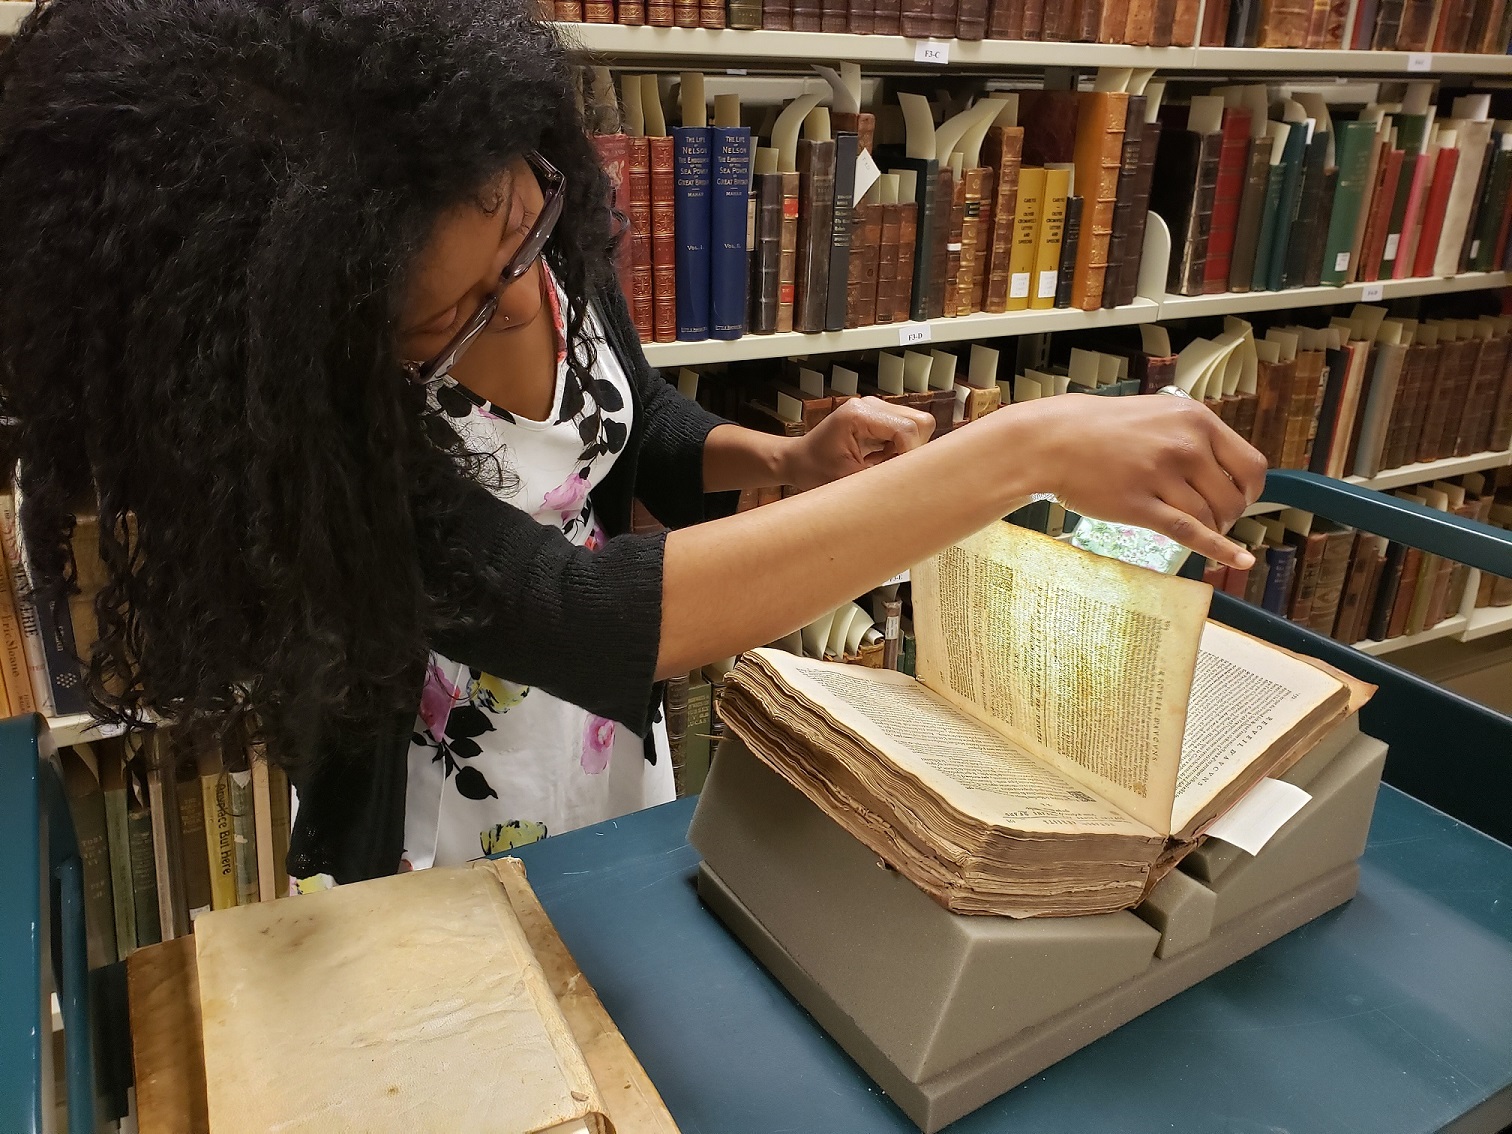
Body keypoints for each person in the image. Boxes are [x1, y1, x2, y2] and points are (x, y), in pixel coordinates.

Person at [0, 0, 1265, 884]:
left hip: (606, 757)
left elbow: (635, 425)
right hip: (437, 809)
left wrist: (774, 460)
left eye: (517, 233)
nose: (516, 297)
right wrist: (1019, 448)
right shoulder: (327, 442)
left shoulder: (534, 227)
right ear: (309, 331)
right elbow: (581, 606)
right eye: (448, 314)